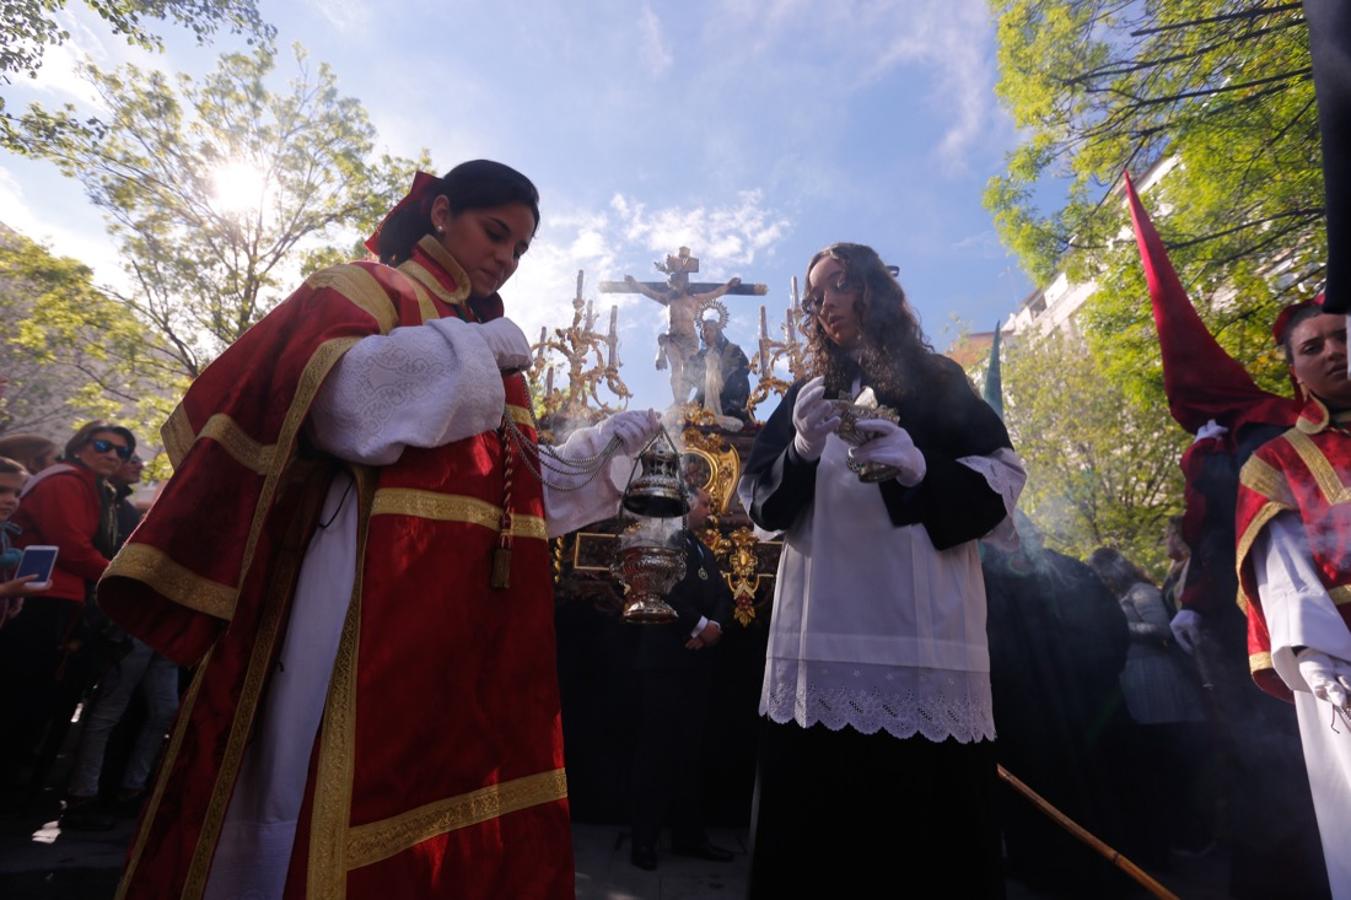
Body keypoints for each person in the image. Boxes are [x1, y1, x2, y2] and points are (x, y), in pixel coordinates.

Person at [96, 160, 663, 900]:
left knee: (437, 772)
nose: (506, 257)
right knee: (330, 766)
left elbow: (515, 493)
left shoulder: (485, 339)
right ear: (438, 214)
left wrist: (601, 449)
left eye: (520, 249)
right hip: (361, 568)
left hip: (465, 608)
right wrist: (471, 352)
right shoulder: (366, 287)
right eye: (495, 233)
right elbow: (341, 408)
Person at [738, 242, 1025, 897]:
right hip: (819, 646)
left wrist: (921, 470)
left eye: (839, 283)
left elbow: (1003, 479)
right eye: (815, 295)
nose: (826, 302)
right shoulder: (804, 396)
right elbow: (757, 501)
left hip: (920, 642)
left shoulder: (937, 379)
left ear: (877, 288)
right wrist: (802, 451)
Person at [1237, 300, 1351, 897]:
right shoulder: (1276, 460)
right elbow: (1282, 569)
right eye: (1313, 347)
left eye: (1342, 336)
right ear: (1295, 374)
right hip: (1346, 659)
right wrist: (1312, 651)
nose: (1333, 350)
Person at [983, 514, 1134, 894]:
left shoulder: (1050, 574)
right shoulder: (1054, 571)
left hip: (1052, 715)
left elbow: (1111, 631)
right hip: (1053, 716)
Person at [0, 421, 131, 802]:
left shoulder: (92, 487)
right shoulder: (66, 482)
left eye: (121, 451)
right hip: (39, 599)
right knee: (20, 694)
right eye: (103, 445)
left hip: (58, 599)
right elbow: (72, 546)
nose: (112, 455)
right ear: (79, 445)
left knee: (36, 696)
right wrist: (120, 577)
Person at [62, 444, 178, 831]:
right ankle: (82, 793)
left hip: (168, 626)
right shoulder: (143, 517)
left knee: (164, 709)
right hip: (135, 623)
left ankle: (132, 787)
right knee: (110, 708)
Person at [628, 486, 735, 871]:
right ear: (687, 504)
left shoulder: (702, 548)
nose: (710, 510)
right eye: (705, 503)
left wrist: (715, 625)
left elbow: (722, 592)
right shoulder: (664, 538)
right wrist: (698, 626)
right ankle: (644, 841)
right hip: (664, 662)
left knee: (690, 754)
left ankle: (689, 837)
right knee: (656, 754)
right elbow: (658, 588)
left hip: (696, 665)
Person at [1087, 546, 1210, 867]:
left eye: (1100, 572)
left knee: (1170, 763)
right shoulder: (1117, 597)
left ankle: (1193, 838)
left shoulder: (1140, 592)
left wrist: (1115, 628)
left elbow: (1161, 629)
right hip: (1135, 681)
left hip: (1157, 682)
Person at [0, 455, 49, 630]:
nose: (11, 499)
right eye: (1, 490)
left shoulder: (5, 532)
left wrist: (16, 594)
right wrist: (6, 591)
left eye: (17, 493)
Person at [689, 305, 751, 422]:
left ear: (717, 332)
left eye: (710, 330)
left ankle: (731, 407)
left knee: (739, 380)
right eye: (704, 330)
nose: (706, 333)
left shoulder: (732, 349)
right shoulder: (701, 355)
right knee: (692, 409)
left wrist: (726, 374)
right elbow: (691, 375)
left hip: (729, 390)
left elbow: (745, 367)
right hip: (706, 389)